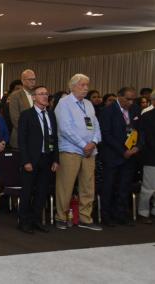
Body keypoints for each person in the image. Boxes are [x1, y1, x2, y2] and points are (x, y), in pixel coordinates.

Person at [54, 73, 102, 231]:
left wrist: (94, 142)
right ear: (72, 86)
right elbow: (65, 128)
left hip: (90, 152)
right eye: (82, 85)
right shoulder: (64, 103)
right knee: (65, 185)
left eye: (87, 85)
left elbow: (95, 125)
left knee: (88, 186)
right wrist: (83, 144)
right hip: (70, 150)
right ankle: (61, 217)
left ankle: (85, 218)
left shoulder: (88, 104)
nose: (86, 88)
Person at [17, 85, 58, 234]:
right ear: (34, 97)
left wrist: (56, 159)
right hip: (32, 159)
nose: (45, 96)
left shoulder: (51, 115)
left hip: (47, 158)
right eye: (41, 94)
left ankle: (36, 220)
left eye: (47, 94)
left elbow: (54, 138)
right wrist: (25, 161)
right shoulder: (26, 115)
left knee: (42, 192)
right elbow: (22, 140)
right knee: (27, 192)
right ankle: (23, 221)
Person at [99, 87, 140, 226]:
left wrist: (137, 147)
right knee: (109, 186)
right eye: (128, 99)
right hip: (113, 155)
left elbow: (140, 130)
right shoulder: (107, 111)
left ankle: (121, 214)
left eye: (133, 99)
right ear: (119, 96)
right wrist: (123, 151)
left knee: (124, 187)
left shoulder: (135, 109)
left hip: (131, 155)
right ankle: (106, 216)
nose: (130, 102)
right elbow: (106, 134)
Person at [137, 91, 155, 224]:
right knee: (148, 187)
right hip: (151, 156)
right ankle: (143, 212)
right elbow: (147, 138)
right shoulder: (147, 116)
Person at [8, 69, 36, 148]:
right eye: (30, 79)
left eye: (34, 79)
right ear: (23, 81)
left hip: (35, 139)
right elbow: (15, 119)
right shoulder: (15, 95)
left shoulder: (36, 94)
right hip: (20, 137)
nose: (33, 82)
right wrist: (30, 131)